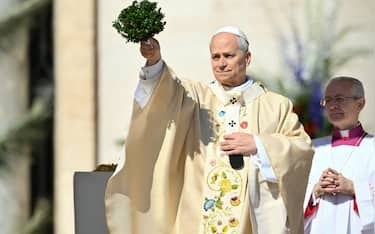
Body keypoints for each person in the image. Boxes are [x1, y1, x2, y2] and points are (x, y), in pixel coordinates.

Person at [105, 26, 314, 234]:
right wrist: (154, 61)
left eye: (228, 56)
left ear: (247, 58)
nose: (221, 63)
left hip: (251, 222)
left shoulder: (275, 105)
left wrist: (259, 145)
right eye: (215, 57)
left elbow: (302, 148)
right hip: (198, 217)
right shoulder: (197, 98)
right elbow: (165, 90)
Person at [304, 76, 375, 233]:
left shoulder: (372, 147)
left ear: (360, 103)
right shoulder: (312, 148)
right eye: (328, 100)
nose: (333, 106)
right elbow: (292, 204)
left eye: (340, 99)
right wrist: (315, 192)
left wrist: (354, 188)